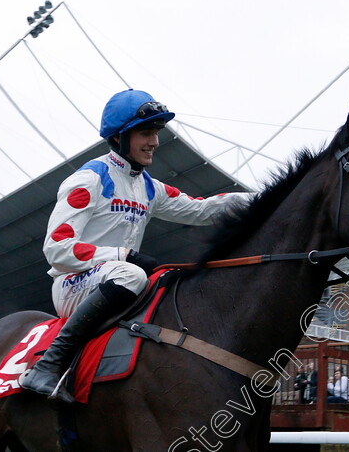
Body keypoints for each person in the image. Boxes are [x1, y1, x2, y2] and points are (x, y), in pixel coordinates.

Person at [21, 89, 251, 402]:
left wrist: (268, 197)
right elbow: (57, 249)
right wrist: (124, 255)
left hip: (115, 279)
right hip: (73, 284)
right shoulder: (89, 179)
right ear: (119, 138)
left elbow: (202, 209)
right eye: (146, 133)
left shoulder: (148, 186)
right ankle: (47, 366)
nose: (155, 142)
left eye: (156, 133)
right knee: (132, 276)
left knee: (163, 283)